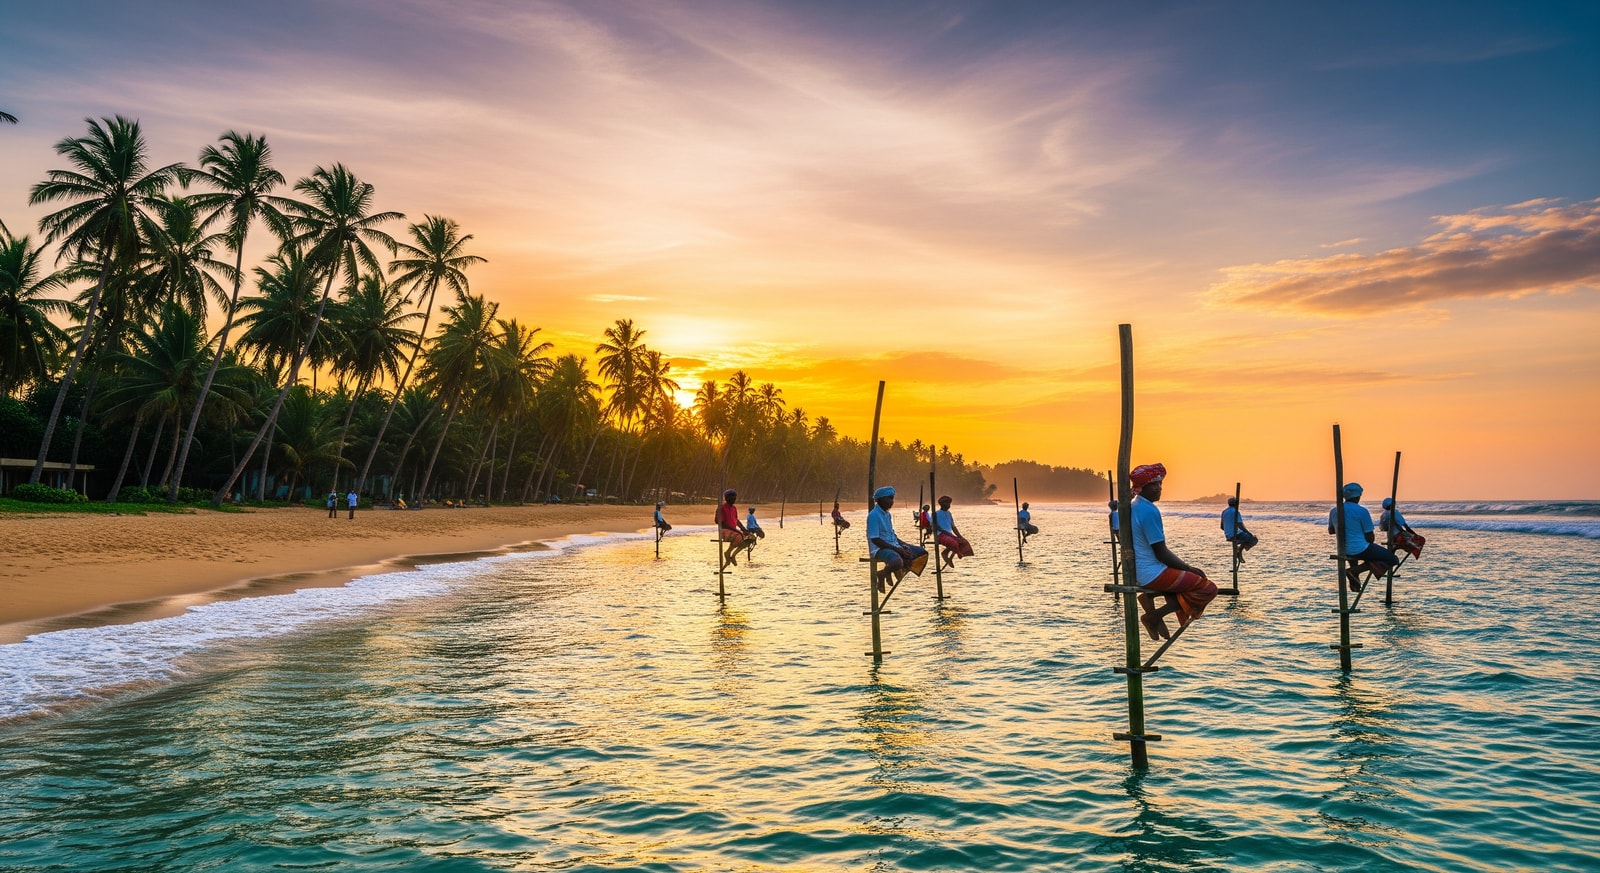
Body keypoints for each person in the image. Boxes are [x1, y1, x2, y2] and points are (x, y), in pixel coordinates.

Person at [1129, 463, 1218, 641]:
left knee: (1182, 583)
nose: (1159, 488)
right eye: (1155, 485)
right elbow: (1161, 552)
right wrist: (1189, 568)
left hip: (1142, 570)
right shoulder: (1148, 510)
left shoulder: (1135, 505)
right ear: (1143, 487)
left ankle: (1148, 600)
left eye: (1160, 484)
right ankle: (1153, 616)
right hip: (1151, 573)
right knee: (1208, 588)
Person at [1328, 482, 1398, 592]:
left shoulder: (1334, 510)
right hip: (1360, 548)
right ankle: (1355, 571)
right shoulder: (1362, 511)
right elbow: (1370, 536)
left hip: (1343, 549)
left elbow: (1331, 530)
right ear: (1358, 496)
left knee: (1361, 553)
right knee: (1392, 559)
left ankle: (1355, 579)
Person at [867, 486, 928, 592]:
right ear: (880, 500)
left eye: (892, 498)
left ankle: (890, 571)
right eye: (889, 498)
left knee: (921, 552)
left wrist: (903, 545)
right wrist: (898, 550)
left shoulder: (887, 515)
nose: (892, 501)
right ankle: (883, 574)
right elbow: (875, 539)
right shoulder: (874, 515)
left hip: (893, 544)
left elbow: (892, 535)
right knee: (897, 562)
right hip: (879, 549)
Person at [932, 495, 974, 568]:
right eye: (947, 503)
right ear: (942, 504)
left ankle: (946, 552)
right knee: (953, 543)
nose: (949, 505)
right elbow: (934, 526)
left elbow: (953, 527)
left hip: (949, 534)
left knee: (963, 542)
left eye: (949, 503)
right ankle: (956, 553)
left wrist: (960, 536)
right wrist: (943, 531)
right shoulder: (936, 514)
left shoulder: (949, 513)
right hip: (940, 535)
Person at [716, 489, 751, 568]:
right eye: (731, 497)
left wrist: (744, 530)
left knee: (750, 539)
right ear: (726, 498)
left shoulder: (734, 508)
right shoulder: (721, 508)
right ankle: (728, 552)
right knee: (739, 536)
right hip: (724, 531)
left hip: (734, 531)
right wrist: (735, 530)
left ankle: (733, 555)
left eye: (734, 498)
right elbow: (719, 521)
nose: (733, 499)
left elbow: (736, 520)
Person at [1220, 497, 1259, 562]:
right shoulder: (1236, 512)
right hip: (1235, 534)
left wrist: (1228, 531)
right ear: (1236, 504)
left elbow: (1222, 526)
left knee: (1245, 538)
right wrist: (1248, 532)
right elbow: (1240, 525)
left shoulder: (1224, 512)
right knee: (1254, 539)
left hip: (1228, 535)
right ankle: (1239, 551)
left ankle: (1239, 550)